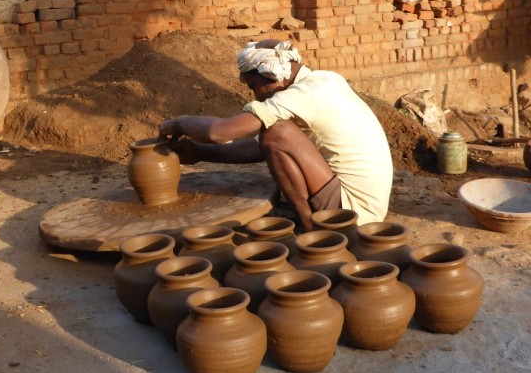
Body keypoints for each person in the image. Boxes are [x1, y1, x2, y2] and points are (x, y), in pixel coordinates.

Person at [158, 39, 393, 231]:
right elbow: (260, 147)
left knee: (277, 131)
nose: (255, 94)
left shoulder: (306, 94)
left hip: (353, 214)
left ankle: (312, 230)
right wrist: (199, 152)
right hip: (361, 205)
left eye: (253, 86)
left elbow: (220, 132)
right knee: (276, 133)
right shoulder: (324, 81)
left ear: (271, 75)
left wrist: (179, 122)